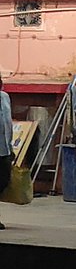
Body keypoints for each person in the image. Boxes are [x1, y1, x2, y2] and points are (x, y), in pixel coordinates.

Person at [0, 76, 12, 230]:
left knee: (3, 182)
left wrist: (11, 147)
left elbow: (8, 123)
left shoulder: (5, 97)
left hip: (4, 149)